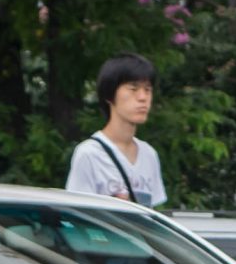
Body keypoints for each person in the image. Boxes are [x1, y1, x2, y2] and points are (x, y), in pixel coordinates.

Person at [65, 53, 167, 207]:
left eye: (147, 90)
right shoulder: (89, 154)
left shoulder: (149, 155)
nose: (143, 97)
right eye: (133, 89)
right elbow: (77, 215)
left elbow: (152, 215)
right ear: (109, 95)